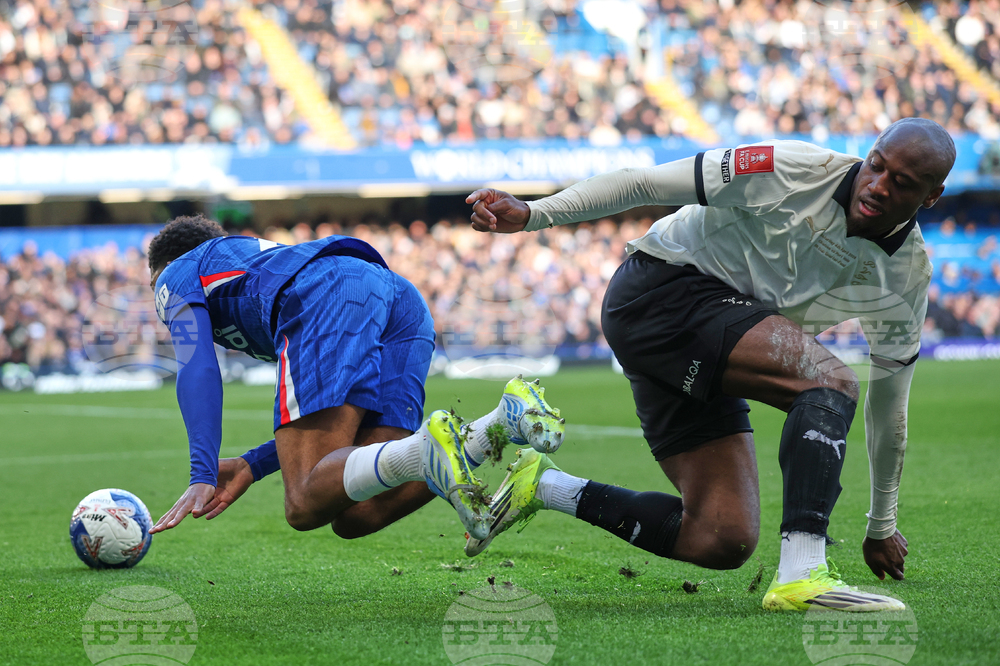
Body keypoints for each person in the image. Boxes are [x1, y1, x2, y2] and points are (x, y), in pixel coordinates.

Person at [464, 118, 956, 612]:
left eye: (903, 184)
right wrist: (533, 213)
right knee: (830, 381)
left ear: (931, 197)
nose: (878, 185)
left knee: (722, 536)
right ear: (869, 152)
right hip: (662, 289)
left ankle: (544, 485)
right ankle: (803, 574)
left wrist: (882, 525)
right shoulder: (790, 167)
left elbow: (889, 406)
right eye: (877, 165)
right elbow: (644, 183)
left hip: (712, 340)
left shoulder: (906, 275)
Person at [145, 215, 565, 542]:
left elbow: (196, 366)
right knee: (357, 512)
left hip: (330, 289)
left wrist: (202, 474)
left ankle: (426, 449)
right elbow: (336, 435)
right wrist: (254, 465)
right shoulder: (246, 262)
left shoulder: (176, 273)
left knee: (303, 503)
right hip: (399, 302)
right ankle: (499, 424)